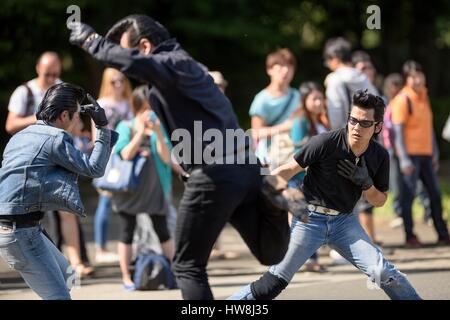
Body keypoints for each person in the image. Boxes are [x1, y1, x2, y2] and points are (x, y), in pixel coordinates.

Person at [69, 15, 298, 299]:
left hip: (214, 173)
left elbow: (134, 63)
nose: (125, 67)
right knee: (268, 253)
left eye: (129, 51)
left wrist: (92, 41)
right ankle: (275, 205)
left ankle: (274, 201)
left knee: (187, 266)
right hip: (245, 166)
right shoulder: (186, 68)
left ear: (145, 46)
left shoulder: (174, 64)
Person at [228, 90, 421, 300]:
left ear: (378, 127)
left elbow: (379, 201)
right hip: (309, 220)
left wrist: (366, 184)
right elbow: (286, 170)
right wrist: (250, 185)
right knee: (273, 283)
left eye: (365, 123)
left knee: (385, 274)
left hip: (344, 223)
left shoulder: (379, 156)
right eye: (353, 120)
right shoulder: (326, 142)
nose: (356, 127)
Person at [0, 83, 117, 300]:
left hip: (19, 228)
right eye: (76, 116)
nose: (77, 121)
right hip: (20, 233)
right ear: (64, 115)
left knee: (68, 275)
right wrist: (102, 126)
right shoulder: (55, 138)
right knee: (60, 297)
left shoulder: (19, 137)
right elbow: (94, 169)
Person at [113, 86, 174, 291]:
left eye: (153, 108)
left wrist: (157, 131)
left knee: (163, 230)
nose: (150, 113)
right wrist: (140, 133)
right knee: (126, 232)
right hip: (129, 190)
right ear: (136, 108)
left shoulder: (160, 127)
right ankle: (126, 276)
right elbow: (125, 154)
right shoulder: (125, 126)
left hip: (155, 188)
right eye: (146, 109)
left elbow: (166, 158)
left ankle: (173, 273)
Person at [391, 60, 450, 246]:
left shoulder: (424, 96)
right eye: (412, 76)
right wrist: (404, 159)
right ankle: (410, 235)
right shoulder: (403, 99)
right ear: (406, 79)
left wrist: (435, 151)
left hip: (426, 154)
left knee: (435, 194)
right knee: (408, 196)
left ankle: (442, 233)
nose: (417, 80)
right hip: (410, 155)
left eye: (419, 75)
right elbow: (398, 131)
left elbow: (429, 128)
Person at [289, 81, 329, 272]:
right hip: (298, 177)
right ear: (305, 101)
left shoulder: (321, 120)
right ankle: (307, 260)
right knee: (304, 218)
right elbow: (298, 148)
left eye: (321, 97)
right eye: (315, 98)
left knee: (309, 218)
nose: (319, 101)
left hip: (314, 178)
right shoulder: (300, 120)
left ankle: (305, 259)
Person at [93, 68, 132, 264]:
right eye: (114, 81)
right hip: (108, 160)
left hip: (125, 158)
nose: (119, 84)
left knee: (129, 203)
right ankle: (100, 248)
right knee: (105, 202)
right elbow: (96, 137)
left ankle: (134, 246)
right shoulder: (102, 104)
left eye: (122, 80)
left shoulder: (128, 103)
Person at [249, 48, 300, 169]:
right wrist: (284, 127)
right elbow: (256, 133)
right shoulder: (262, 99)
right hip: (270, 159)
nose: (286, 70)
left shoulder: (297, 96)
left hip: (294, 157)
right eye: (281, 66)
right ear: (269, 70)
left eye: (289, 66)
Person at [6, 52, 62, 135]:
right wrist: (39, 118)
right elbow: (10, 126)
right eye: (47, 74)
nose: (51, 79)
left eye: (54, 75)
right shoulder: (24, 91)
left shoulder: (63, 88)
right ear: (38, 68)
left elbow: (75, 121)